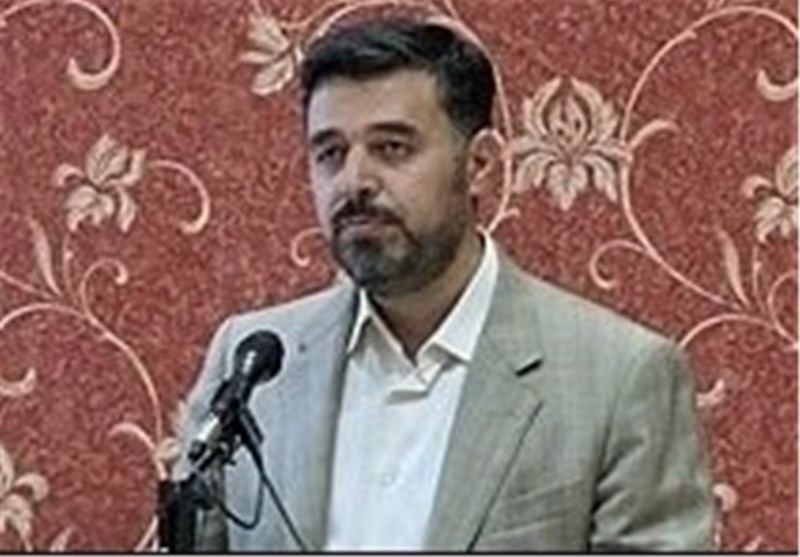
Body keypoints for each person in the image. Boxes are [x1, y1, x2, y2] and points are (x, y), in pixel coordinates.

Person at [178, 17, 714, 552]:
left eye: (392, 148)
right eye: (330, 153)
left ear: (479, 165)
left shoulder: (617, 378)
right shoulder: (252, 364)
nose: (354, 181)